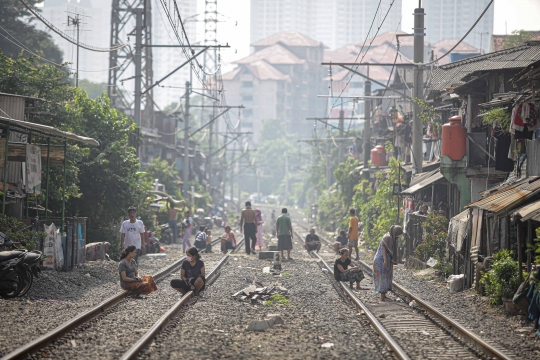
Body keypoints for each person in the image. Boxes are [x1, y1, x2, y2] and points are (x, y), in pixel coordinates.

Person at [373, 225, 403, 302]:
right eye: (397, 234)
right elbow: (383, 249)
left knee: (386, 277)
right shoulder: (388, 238)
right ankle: (382, 297)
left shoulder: (389, 236)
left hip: (384, 259)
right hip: (382, 259)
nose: (398, 237)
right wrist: (385, 261)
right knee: (384, 278)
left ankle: (384, 295)